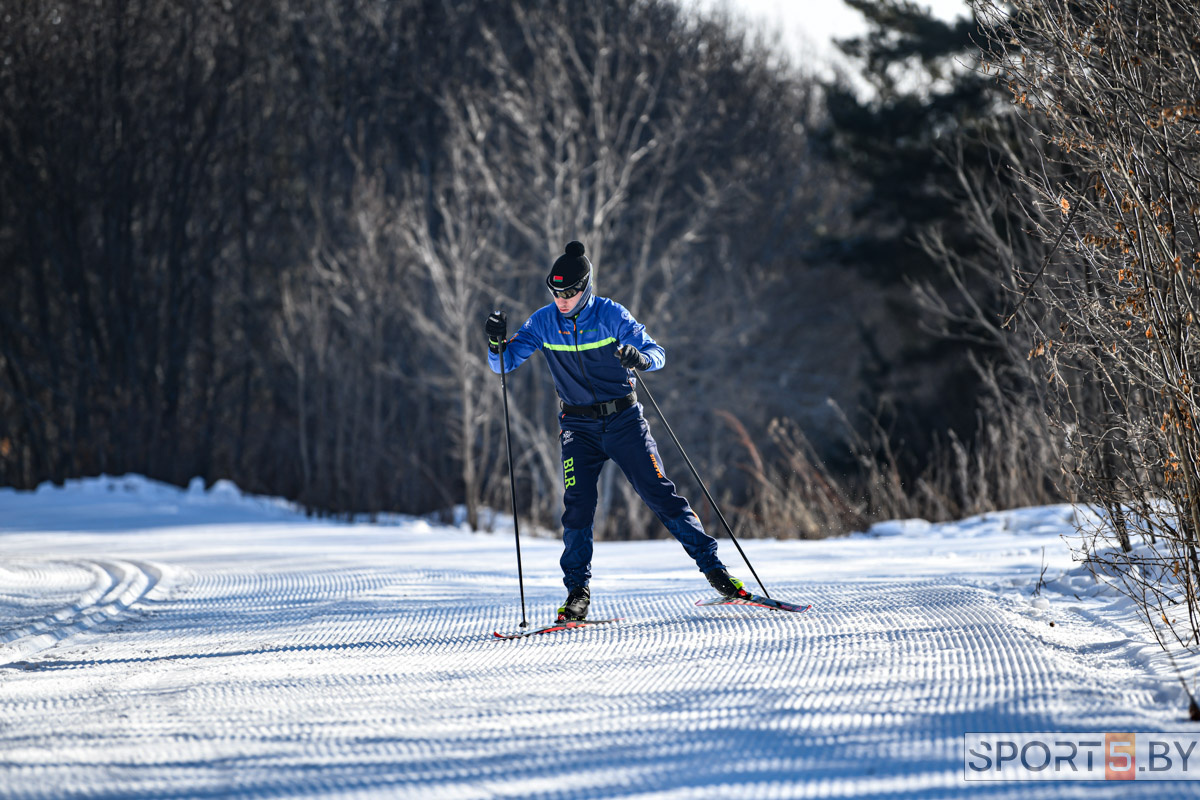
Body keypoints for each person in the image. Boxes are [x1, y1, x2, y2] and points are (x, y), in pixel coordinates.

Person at [484, 240, 748, 622]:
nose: (562, 299)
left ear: (586, 287)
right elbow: (503, 364)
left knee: (659, 494)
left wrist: (637, 357)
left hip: (624, 421)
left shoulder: (610, 315)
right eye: (556, 292)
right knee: (577, 508)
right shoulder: (543, 322)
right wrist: (495, 342)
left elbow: (656, 353)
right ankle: (577, 592)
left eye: (570, 292)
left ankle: (716, 571)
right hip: (578, 426)